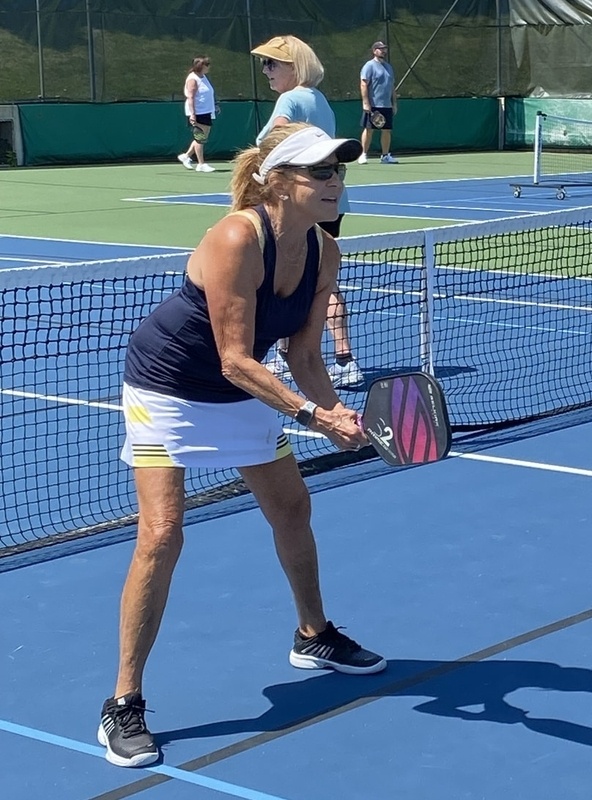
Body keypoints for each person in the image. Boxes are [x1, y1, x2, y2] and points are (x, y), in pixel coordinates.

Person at [98, 123, 383, 769]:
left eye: (340, 171)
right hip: (167, 386)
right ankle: (124, 702)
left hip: (245, 389)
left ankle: (314, 636)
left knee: (292, 509)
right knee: (163, 533)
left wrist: (338, 411)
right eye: (322, 173)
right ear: (280, 182)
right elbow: (233, 358)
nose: (336, 183)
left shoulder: (324, 252)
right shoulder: (236, 237)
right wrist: (315, 415)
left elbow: (304, 354)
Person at [251, 34, 364, 388]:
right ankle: (332, 357)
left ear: (293, 67)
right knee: (317, 278)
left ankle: (332, 358)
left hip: (300, 204)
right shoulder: (320, 101)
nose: (266, 70)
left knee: (292, 279)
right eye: (264, 63)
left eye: (272, 64)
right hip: (330, 203)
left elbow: (279, 135)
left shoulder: (291, 98)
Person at [358, 41, 397, 164]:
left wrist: (394, 103)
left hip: (387, 105)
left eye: (384, 49)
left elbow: (392, 87)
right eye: (380, 49)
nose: (383, 51)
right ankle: (363, 154)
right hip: (373, 105)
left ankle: (385, 156)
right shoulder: (369, 66)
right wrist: (366, 102)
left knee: (387, 130)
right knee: (369, 130)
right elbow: (364, 84)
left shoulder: (388, 67)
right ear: (374, 51)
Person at [177, 56, 217, 173]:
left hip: (206, 111)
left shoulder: (203, 77)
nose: (208, 67)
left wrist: (214, 105)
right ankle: (201, 164)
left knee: (202, 137)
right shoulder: (192, 79)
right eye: (206, 65)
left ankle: (186, 156)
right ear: (201, 66)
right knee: (200, 138)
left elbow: (206, 94)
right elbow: (191, 97)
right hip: (197, 112)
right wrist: (193, 114)